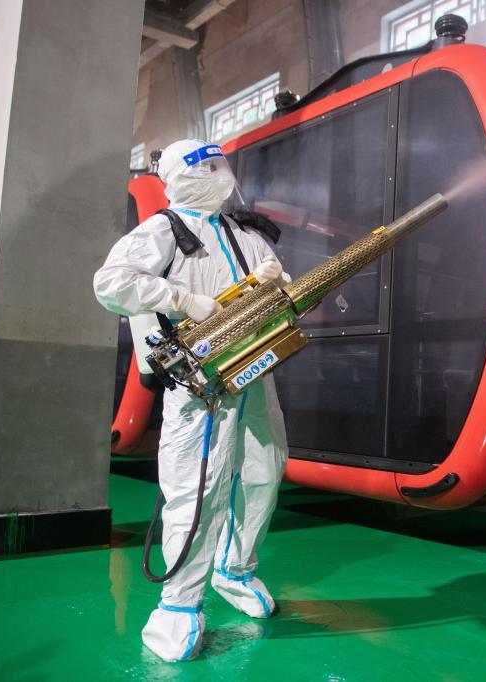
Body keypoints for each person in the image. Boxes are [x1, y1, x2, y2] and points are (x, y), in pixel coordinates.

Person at [93, 139, 289, 662]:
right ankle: (178, 605)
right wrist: (180, 298)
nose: (218, 175)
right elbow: (111, 283)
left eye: (220, 165)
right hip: (199, 383)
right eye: (205, 168)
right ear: (178, 179)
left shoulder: (246, 234)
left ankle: (235, 570)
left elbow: (281, 286)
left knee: (265, 470)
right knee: (197, 488)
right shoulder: (164, 231)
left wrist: (275, 283)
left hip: (254, 369)